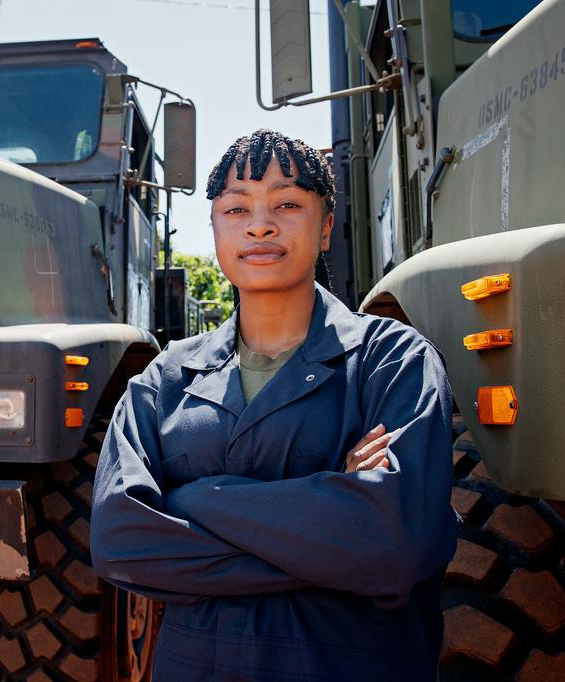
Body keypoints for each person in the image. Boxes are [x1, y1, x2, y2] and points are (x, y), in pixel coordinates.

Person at [90, 129, 457, 681]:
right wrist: (332, 527)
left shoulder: (393, 362)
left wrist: (193, 500)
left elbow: (397, 544)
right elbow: (122, 541)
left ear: (327, 225)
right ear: (214, 230)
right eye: (236, 209)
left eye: (288, 203)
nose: (260, 224)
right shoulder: (162, 381)